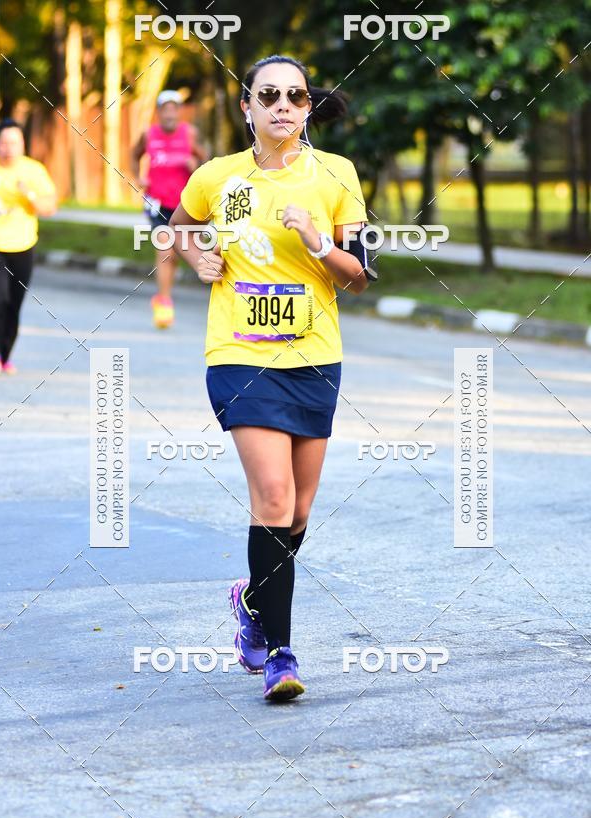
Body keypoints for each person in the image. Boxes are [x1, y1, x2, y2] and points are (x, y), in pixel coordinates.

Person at [169, 55, 373, 701]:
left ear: (308, 108)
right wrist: (195, 253)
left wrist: (317, 241)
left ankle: (253, 603)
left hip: (315, 356)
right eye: (269, 95)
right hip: (240, 355)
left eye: (295, 96)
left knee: (299, 512)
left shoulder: (336, 175)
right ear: (247, 108)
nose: (282, 104)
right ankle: (281, 654)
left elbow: (361, 274)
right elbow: (176, 229)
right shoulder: (216, 176)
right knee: (276, 496)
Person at [131, 90, 207, 329]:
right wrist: (138, 177)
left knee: (176, 251)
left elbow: (205, 161)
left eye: (175, 108)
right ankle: (164, 301)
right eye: (166, 108)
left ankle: (163, 294)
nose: (170, 113)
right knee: (166, 247)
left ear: (179, 111)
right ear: (159, 112)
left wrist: (195, 164)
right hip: (157, 201)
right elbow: (134, 156)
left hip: (184, 203)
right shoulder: (148, 134)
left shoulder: (189, 133)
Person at [0, 119, 57, 378]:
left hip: (23, 244)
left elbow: (49, 208)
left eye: (14, 142)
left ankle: (5, 354)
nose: (9, 148)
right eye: (4, 142)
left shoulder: (34, 171)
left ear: (23, 145)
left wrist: (28, 194)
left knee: (13, 304)